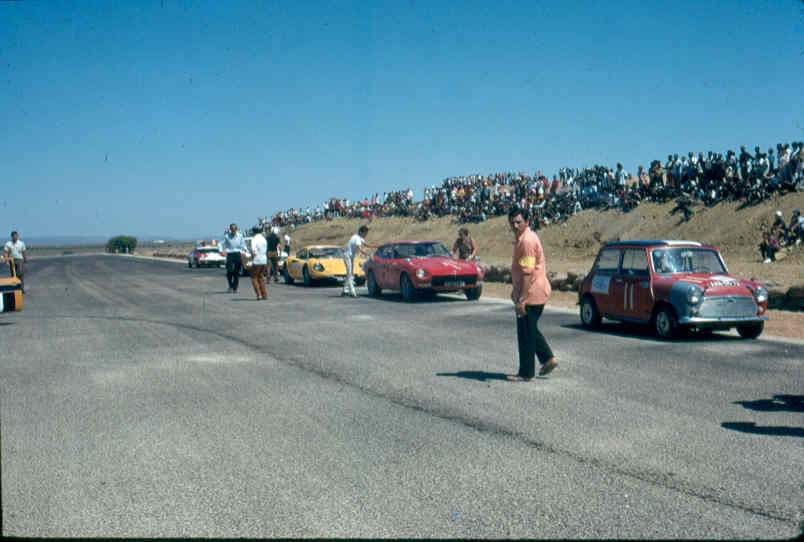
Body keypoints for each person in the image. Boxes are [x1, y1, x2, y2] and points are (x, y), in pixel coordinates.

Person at [506, 206, 557, 382]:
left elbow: (527, 272)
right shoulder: (523, 238)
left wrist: (522, 299)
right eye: (512, 222)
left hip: (531, 292)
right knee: (530, 328)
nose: (515, 225)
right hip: (532, 290)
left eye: (518, 222)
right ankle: (548, 358)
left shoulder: (527, 241)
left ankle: (526, 373)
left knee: (525, 332)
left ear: (527, 222)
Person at [342, 225, 375, 298]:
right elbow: (360, 249)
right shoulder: (356, 238)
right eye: (365, 232)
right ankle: (353, 292)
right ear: (361, 232)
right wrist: (369, 255)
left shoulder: (359, 237)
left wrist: (377, 246)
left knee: (350, 273)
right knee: (350, 274)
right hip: (347, 256)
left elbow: (367, 245)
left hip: (350, 256)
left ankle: (345, 290)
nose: (366, 234)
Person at [220, 223, 247, 293]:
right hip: (229, 254)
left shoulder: (240, 236)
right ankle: (230, 285)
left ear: (236, 229)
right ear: (230, 230)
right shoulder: (227, 236)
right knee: (229, 271)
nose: (233, 231)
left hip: (237, 254)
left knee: (236, 272)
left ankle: (235, 287)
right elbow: (220, 244)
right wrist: (221, 251)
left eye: (234, 229)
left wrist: (245, 250)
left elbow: (243, 244)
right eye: (232, 230)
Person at [249, 228, 268, 300]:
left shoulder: (254, 239)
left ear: (254, 232)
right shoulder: (264, 239)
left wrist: (251, 260)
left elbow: (253, 251)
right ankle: (264, 294)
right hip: (264, 259)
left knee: (254, 277)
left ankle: (259, 294)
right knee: (261, 277)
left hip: (257, 259)